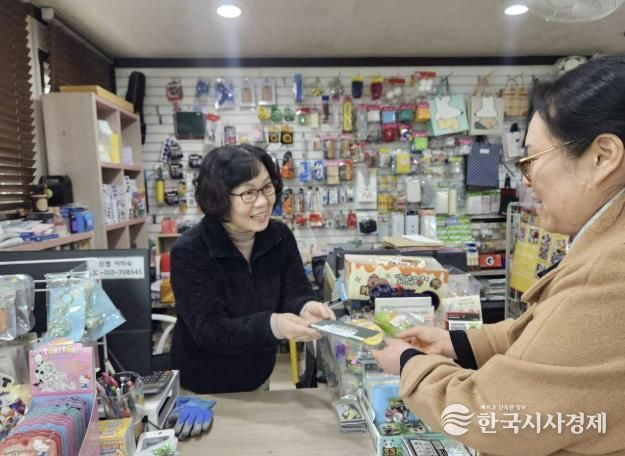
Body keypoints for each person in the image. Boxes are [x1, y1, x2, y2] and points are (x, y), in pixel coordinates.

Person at [373, 55, 625, 455]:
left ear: (603, 156)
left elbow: (490, 415)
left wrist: (408, 364)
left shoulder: (611, 269)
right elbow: (548, 337)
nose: (528, 181)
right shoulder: (604, 245)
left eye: (532, 160)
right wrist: (458, 344)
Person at [170, 144, 335, 394]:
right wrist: (274, 325)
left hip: (258, 377)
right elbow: (210, 331)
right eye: (248, 193)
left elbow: (294, 292)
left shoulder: (279, 237)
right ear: (219, 197)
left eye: (267, 187)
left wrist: (305, 307)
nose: (263, 202)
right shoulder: (190, 250)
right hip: (201, 387)